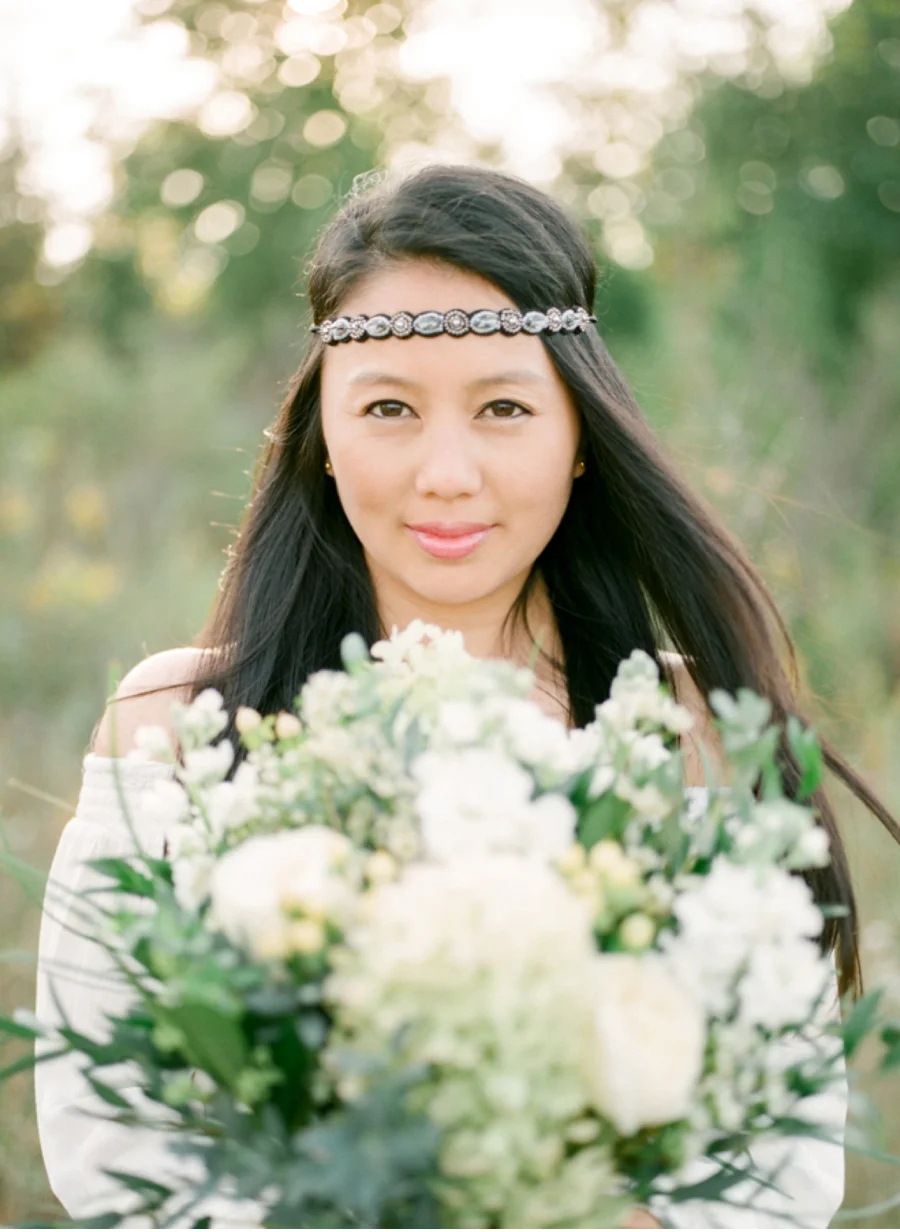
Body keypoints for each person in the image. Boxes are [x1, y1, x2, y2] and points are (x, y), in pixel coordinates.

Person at [35, 162, 899, 1228]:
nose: (446, 472)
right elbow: (105, 1140)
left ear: (579, 436)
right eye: (388, 407)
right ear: (322, 436)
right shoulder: (172, 725)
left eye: (503, 407)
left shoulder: (702, 740)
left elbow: (783, 1162)